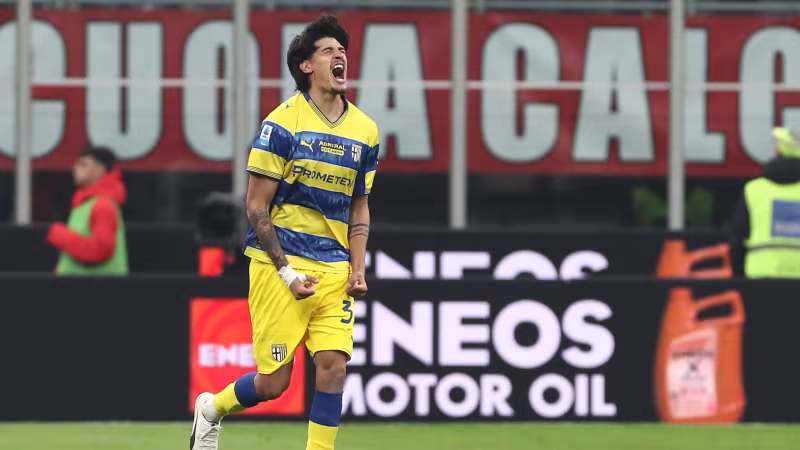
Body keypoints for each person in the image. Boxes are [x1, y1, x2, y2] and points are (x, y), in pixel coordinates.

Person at [190, 14, 379, 450]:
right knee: (274, 383)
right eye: (328, 50)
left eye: (342, 50)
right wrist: (287, 273)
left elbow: (359, 203)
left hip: (334, 269)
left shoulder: (365, 131)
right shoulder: (280, 124)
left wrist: (358, 267)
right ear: (306, 66)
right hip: (282, 267)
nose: (340, 56)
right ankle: (212, 409)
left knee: (333, 365)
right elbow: (256, 206)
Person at [729, 127, 800, 278]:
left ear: (778, 152)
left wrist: (739, 277)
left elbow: (738, 240)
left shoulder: (753, 190)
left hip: (761, 277)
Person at [47, 147, 128, 275]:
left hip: (99, 285)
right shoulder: (86, 204)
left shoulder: (102, 205)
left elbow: (101, 250)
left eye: (83, 164)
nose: (75, 169)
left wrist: (61, 237)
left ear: (100, 169)